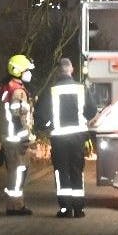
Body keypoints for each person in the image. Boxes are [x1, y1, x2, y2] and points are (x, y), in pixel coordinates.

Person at [42, 58, 95, 218]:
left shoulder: (51, 90)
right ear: (71, 70)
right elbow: (92, 110)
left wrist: (47, 126)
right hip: (77, 137)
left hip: (59, 138)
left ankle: (65, 208)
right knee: (77, 171)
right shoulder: (81, 88)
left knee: (62, 172)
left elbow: (42, 115)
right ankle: (79, 209)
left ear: (59, 71)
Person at [0, 54, 36, 216]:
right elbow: (18, 117)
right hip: (17, 141)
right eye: (27, 70)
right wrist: (24, 138)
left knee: (15, 172)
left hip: (9, 138)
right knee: (19, 172)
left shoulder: (6, 87)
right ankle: (15, 206)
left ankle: (15, 204)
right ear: (19, 71)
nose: (30, 73)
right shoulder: (18, 91)